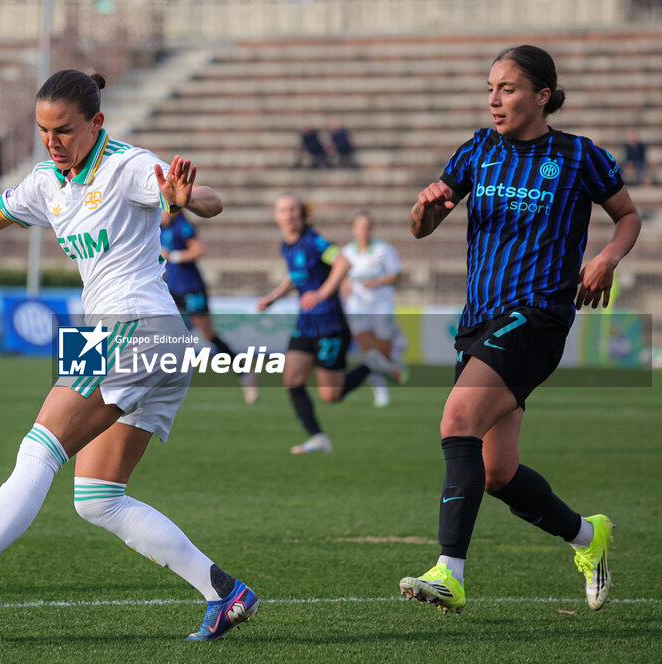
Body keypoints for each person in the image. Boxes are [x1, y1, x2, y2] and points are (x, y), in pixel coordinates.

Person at [0, 69, 258, 641]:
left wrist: (184, 198)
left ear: (96, 123)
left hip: (134, 326)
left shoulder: (127, 165)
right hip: (149, 337)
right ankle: (225, 593)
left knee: (39, 449)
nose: (52, 142)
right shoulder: (46, 183)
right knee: (97, 498)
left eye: (64, 131)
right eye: (42, 130)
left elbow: (209, 199)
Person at [398, 45, 641, 615]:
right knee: (497, 471)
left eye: (507, 88)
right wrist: (425, 206)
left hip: (537, 317)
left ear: (542, 95)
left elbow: (628, 216)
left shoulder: (579, 156)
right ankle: (589, 536)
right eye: (490, 88)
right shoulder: (477, 150)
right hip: (478, 321)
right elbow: (421, 229)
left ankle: (449, 573)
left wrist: (607, 258)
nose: (494, 99)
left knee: (456, 419)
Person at [256, 194, 400, 454]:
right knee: (291, 379)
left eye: (293, 210)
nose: (288, 215)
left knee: (331, 395)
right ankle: (318, 437)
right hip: (305, 324)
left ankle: (371, 365)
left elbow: (344, 262)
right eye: (283, 211)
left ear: (302, 214)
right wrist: (273, 297)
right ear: (276, 216)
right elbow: (295, 275)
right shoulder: (287, 245)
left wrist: (322, 293)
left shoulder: (314, 240)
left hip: (330, 326)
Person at [160, 209, 259, 405]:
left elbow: (198, 250)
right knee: (165, 332)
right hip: (169, 288)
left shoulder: (182, 225)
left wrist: (172, 256)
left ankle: (245, 371)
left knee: (208, 334)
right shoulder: (158, 225)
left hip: (190, 288)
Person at [338, 211, 403, 407]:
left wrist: (377, 281)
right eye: (360, 226)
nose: (364, 230)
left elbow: (396, 275)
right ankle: (381, 393)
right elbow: (340, 278)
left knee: (383, 353)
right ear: (353, 229)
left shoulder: (383, 249)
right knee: (368, 354)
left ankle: (393, 365)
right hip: (357, 307)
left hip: (381, 305)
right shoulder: (346, 253)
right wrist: (345, 285)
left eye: (367, 226)